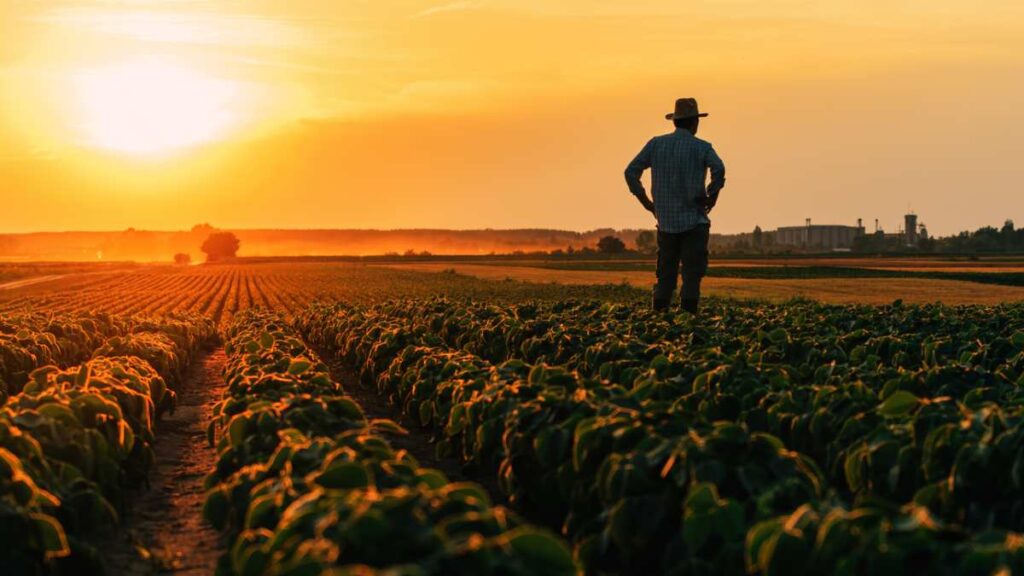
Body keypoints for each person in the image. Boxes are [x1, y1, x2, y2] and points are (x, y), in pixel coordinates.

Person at [624, 97, 726, 313]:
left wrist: (646, 202)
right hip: (694, 222)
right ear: (693, 123)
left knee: (665, 276)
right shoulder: (702, 147)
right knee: (691, 275)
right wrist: (712, 196)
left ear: (675, 121)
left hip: (666, 223)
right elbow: (719, 169)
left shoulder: (656, 144)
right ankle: (688, 320)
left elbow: (631, 172)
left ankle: (659, 321)